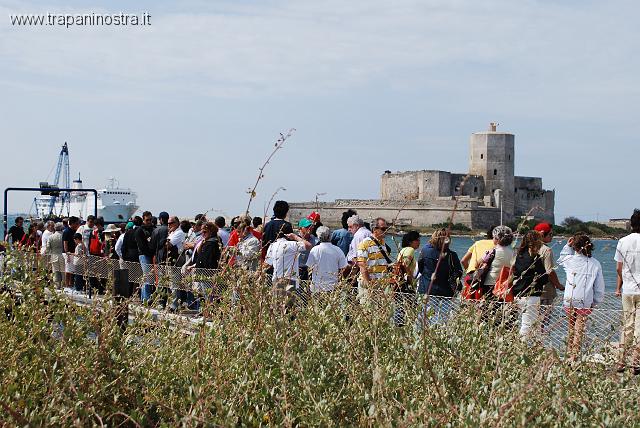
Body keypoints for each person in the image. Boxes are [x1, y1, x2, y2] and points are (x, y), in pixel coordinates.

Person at [557, 233, 605, 361]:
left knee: (571, 327)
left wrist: (567, 245)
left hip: (569, 298)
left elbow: (561, 258)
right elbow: (599, 286)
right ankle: (574, 355)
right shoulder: (595, 264)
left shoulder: (569, 260)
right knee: (579, 328)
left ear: (574, 246)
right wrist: (596, 301)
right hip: (585, 299)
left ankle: (569, 352)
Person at [416, 229, 463, 326]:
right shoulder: (452, 255)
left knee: (423, 320)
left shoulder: (425, 251)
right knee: (442, 321)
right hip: (446, 292)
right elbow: (459, 272)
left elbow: (420, 269)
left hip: (427, 289)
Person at [510, 231, 549, 338]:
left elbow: (515, 273)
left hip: (517, 293)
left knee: (524, 324)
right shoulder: (535, 258)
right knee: (528, 325)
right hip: (531, 296)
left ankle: (524, 347)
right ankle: (522, 348)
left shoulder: (519, 255)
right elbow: (544, 278)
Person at [615, 209, 640, 373]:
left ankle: (621, 361)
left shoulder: (622, 241)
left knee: (627, 326)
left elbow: (619, 268)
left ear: (631, 224)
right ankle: (636, 362)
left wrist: (621, 284)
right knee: (639, 328)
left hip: (628, 289)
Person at [263, 223, 311, 308]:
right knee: (288, 309)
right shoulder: (291, 245)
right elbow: (308, 245)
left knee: (278, 308)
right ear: (289, 234)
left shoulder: (273, 245)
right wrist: (295, 237)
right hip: (290, 280)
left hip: (276, 279)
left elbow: (267, 264)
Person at [534, 222, 565, 328]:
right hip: (545, 291)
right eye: (550, 234)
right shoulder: (546, 250)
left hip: (530, 290)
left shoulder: (529, 247)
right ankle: (539, 342)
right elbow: (550, 271)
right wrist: (559, 285)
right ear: (542, 234)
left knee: (531, 320)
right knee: (543, 321)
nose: (552, 236)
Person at [356, 217, 391, 305]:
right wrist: (370, 285)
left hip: (382, 285)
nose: (386, 231)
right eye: (383, 229)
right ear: (375, 229)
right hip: (369, 285)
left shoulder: (383, 244)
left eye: (386, 228)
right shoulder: (364, 244)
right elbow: (362, 266)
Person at [306, 226, 348, 294]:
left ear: (318, 236)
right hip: (333, 287)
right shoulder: (338, 250)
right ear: (330, 236)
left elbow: (309, 268)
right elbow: (343, 268)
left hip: (317, 287)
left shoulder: (315, 250)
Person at [393, 230, 420, 326]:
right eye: (417, 240)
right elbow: (405, 264)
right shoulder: (410, 250)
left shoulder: (403, 250)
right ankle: (406, 328)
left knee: (400, 307)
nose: (419, 242)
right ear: (410, 241)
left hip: (399, 282)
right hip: (406, 283)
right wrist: (411, 279)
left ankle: (398, 328)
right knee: (410, 307)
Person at [136, 211, 156, 302]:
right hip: (144, 255)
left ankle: (147, 298)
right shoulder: (140, 230)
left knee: (150, 278)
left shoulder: (153, 229)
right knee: (147, 278)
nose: (149, 222)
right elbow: (142, 246)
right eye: (147, 220)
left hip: (152, 255)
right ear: (143, 219)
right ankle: (145, 299)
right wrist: (151, 252)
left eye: (150, 220)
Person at [296, 218, 319, 283]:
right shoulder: (294, 240)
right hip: (298, 269)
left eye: (310, 226)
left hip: (311, 270)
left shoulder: (316, 240)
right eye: (307, 227)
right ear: (300, 228)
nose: (310, 228)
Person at [44, 222, 65, 288]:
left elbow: (48, 248)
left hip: (54, 255)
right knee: (63, 271)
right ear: (62, 228)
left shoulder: (51, 237)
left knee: (55, 271)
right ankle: (63, 285)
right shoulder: (64, 235)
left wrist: (46, 253)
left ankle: (57, 285)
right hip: (63, 255)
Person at [62, 216, 80, 287]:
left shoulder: (74, 230)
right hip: (68, 253)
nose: (77, 225)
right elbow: (65, 243)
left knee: (72, 269)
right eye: (76, 223)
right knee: (68, 269)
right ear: (72, 223)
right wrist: (67, 254)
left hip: (73, 252)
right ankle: (67, 285)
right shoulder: (66, 231)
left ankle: (71, 284)